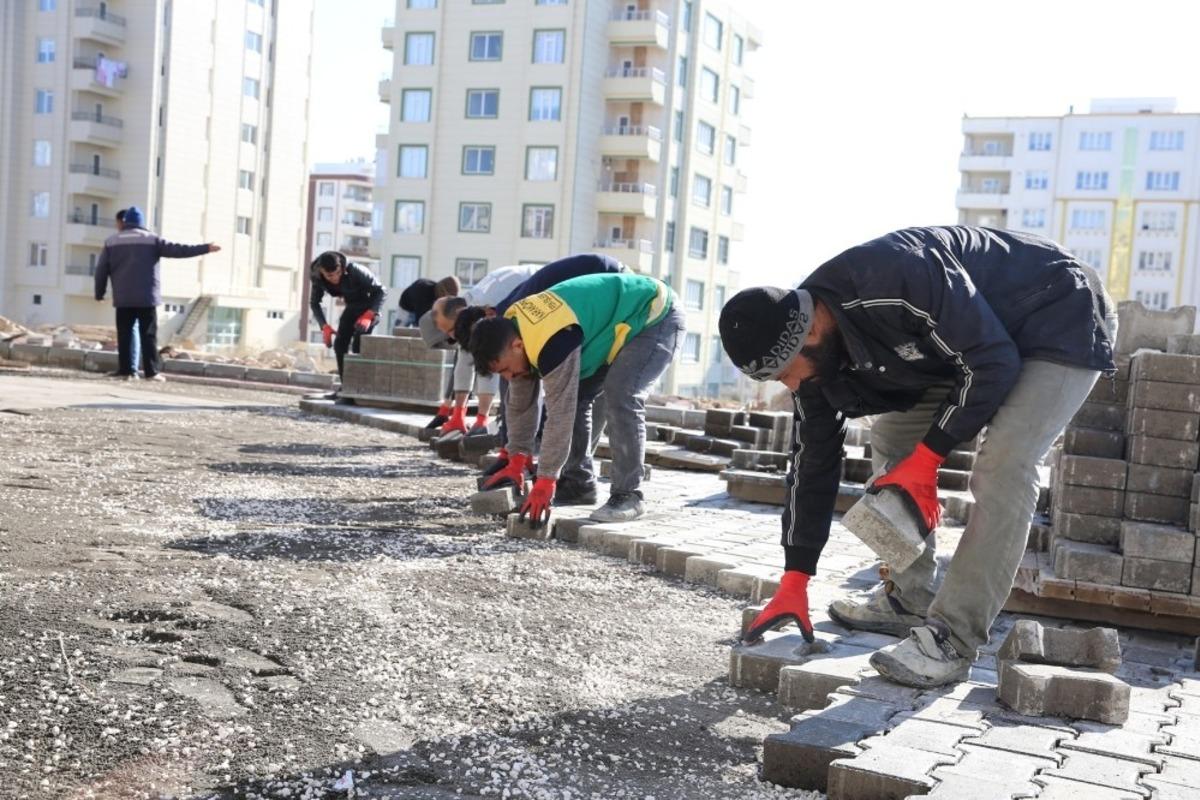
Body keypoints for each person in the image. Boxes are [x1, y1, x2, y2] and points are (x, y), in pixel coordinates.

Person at [720, 226, 1116, 689]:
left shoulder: (896, 277)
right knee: (892, 437)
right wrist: (795, 576)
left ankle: (953, 638)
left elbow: (992, 363)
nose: (792, 386)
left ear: (811, 329)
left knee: (1004, 465)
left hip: (1057, 312)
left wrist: (928, 460)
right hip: (968, 344)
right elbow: (813, 464)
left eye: (788, 373)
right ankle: (909, 599)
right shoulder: (813, 366)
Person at [467, 271, 684, 523]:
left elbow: (560, 414)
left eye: (505, 369)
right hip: (610, 327)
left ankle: (629, 495)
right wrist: (516, 458)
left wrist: (546, 478)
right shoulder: (516, 335)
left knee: (620, 393)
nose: (508, 377)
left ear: (517, 346)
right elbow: (520, 406)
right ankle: (578, 484)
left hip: (654, 314)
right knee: (578, 395)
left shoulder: (549, 341)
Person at [449, 253, 627, 500]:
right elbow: (519, 392)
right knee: (572, 398)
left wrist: (542, 472)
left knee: (578, 396)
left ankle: (577, 478)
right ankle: (574, 473)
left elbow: (536, 398)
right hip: (583, 310)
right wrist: (514, 453)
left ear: (489, 316)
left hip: (612, 288)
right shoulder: (508, 330)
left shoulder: (515, 324)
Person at [94, 206, 219, 381]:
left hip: (123, 298)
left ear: (125, 222)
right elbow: (179, 250)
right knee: (148, 335)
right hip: (147, 297)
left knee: (125, 334)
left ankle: (126, 371)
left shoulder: (112, 241)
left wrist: (99, 293)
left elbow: (101, 270)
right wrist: (206, 248)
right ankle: (152, 372)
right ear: (141, 222)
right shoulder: (152, 240)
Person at [420, 265, 541, 440]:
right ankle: (511, 435)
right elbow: (464, 362)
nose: (453, 339)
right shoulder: (465, 313)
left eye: (451, 335)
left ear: (456, 315)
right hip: (523, 301)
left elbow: (489, 364)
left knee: (514, 374)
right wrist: (458, 415)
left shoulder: (485, 307)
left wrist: (481, 419)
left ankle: (521, 440)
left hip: (544, 297)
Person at [309, 251, 386, 383]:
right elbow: (315, 303)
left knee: (358, 344)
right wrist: (324, 326)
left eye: (338, 273)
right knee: (339, 345)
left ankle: (361, 385)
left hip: (369, 306)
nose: (335, 278)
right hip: (352, 305)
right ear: (322, 271)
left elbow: (381, 291)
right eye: (330, 276)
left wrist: (370, 314)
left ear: (341, 267)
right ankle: (345, 386)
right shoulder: (317, 277)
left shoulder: (355, 270)